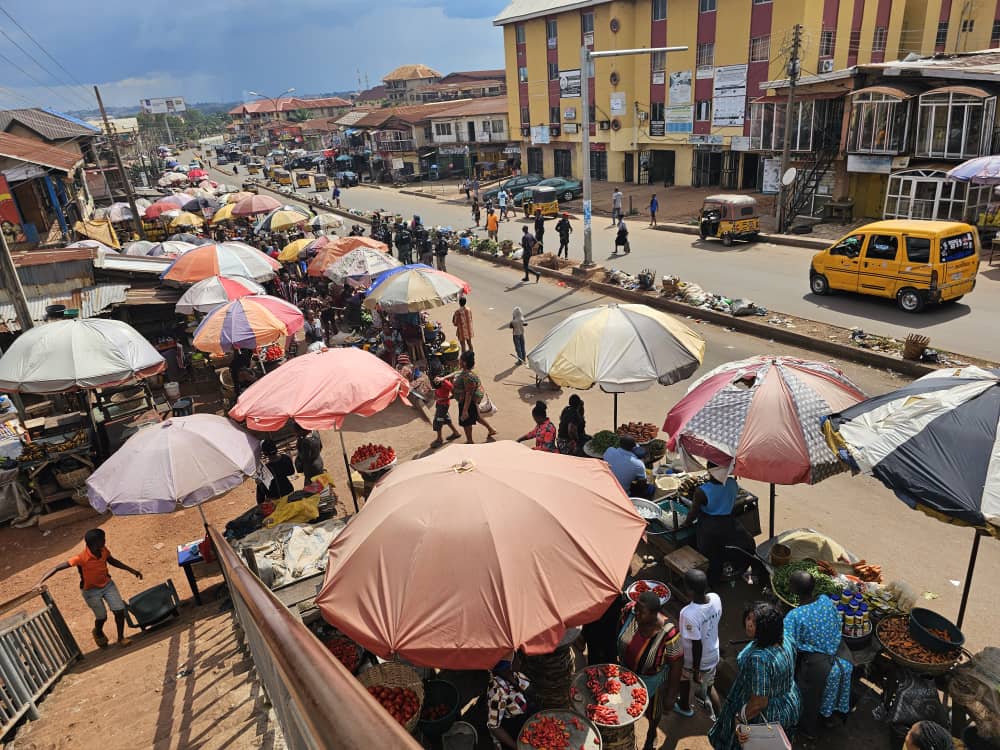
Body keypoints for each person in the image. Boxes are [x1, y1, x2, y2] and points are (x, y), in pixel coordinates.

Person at [709, 601, 801, 750]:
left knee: (747, 743)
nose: (749, 624)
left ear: (766, 629)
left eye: (755, 622)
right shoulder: (786, 637)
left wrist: (740, 718)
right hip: (788, 700)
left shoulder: (760, 659)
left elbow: (759, 703)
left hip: (763, 712)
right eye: (749, 618)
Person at [36, 529, 143, 648]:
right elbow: (57, 568)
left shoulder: (103, 551)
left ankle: (121, 638)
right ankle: (97, 631)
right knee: (102, 617)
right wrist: (40, 582)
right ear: (95, 543)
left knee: (119, 610)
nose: (105, 541)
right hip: (91, 591)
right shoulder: (81, 558)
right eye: (102, 539)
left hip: (107, 585)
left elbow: (113, 561)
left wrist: (132, 570)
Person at [784, 571, 853, 738]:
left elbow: (788, 646)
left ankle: (809, 730)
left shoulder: (794, 616)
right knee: (832, 691)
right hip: (844, 660)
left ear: (793, 590)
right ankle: (830, 718)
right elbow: (837, 623)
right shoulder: (825, 600)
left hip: (821, 668)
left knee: (809, 697)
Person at [617, 590, 683, 750]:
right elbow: (619, 629)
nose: (637, 613)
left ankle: (651, 733)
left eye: (642, 612)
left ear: (655, 614)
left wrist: (671, 695)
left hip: (652, 682)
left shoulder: (670, 634)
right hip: (625, 673)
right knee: (624, 707)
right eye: (637, 609)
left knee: (653, 712)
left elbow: (677, 664)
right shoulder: (629, 611)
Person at [682, 463, 755, 585]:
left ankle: (712, 581)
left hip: (709, 525)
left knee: (710, 554)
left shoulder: (702, 491)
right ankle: (724, 570)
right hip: (728, 521)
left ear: (710, 471)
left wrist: (685, 524)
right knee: (723, 547)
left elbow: (693, 513)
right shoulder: (732, 483)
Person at [675, 569, 722, 719]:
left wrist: (695, 671)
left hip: (694, 660)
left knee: (683, 678)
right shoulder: (715, 598)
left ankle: (684, 706)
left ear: (689, 590)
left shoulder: (688, 613)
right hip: (713, 653)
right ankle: (720, 717)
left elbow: (697, 645)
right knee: (709, 686)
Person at [486, 655, 537, 749]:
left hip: (529, 718)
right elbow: (494, 727)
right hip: (516, 727)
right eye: (516, 658)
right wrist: (517, 746)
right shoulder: (498, 693)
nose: (520, 661)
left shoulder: (516, 675)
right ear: (507, 667)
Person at [452, 350, 497, 443]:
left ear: (464, 363)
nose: (458, 361)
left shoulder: (468, 377)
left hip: (467, 402)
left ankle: (470, 440)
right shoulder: (467, 372)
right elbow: (456, 374)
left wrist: (464, 411)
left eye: (460, 360)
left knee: (466, 422)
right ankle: (491, 429)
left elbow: (469, 394)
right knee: (477, 416)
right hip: (470, 401)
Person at [256, 439, 295, 504]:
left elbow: (264, 489)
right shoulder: (285, 458)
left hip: (275, 496)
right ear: (276, 449)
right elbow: (291, 472)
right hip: (288, 491)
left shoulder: (266, 468)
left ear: (265, 454)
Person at [430, 376, 462, 447]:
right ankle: (456, 433)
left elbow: (455, 394)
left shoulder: (447, 384)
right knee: (446, 419)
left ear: (441, 383)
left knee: (438, 421)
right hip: (440, 404)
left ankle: (439, 439)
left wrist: (445, 398)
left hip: (443, 405)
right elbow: (436, 390)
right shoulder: (437, 381)